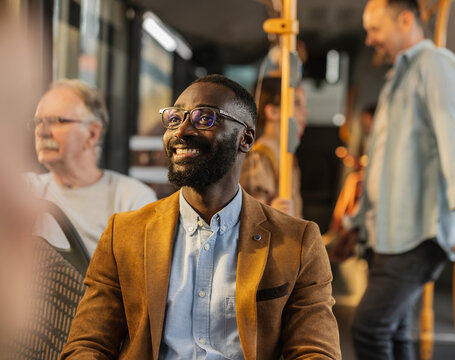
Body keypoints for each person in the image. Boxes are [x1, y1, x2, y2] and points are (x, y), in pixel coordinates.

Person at [60, 74, 340, 359]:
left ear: (245, 138)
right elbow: (88, 345)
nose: (181, 131)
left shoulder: (298, 242)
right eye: (174, 118)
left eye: (204, 118)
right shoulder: (124, 233)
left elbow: (315, 351)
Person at [343, 0, 455, 358]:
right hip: (389, 233)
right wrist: (358, 223)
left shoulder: (436, 66)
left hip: (416, 233)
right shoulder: (398, 76)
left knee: (368, 328)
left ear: (406, 20)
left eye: (375, 29)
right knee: (395, 333)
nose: (370, 39)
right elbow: (384, 164)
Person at [26, 79, 157, 256]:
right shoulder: (26, 190)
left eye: (56, 121)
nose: (41, 132)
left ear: (92, 134)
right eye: (38, 122)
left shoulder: (132, 200)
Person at [240, 76, 307, 217]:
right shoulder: (260, 156)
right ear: (273, 111)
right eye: (296, 103)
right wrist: (272, 214)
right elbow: (252, 217)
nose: (305, 112)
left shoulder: (287, 156)